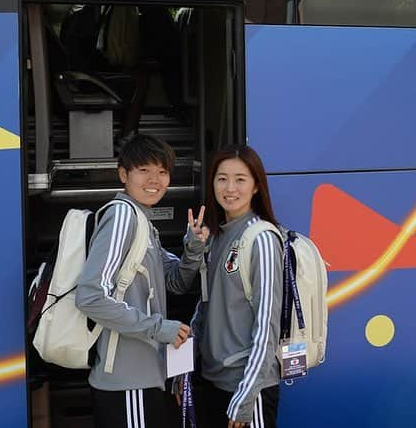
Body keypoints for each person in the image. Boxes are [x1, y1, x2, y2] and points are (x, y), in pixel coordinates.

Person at [75, 134, 209, 428]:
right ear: (124, 174)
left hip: (141, 378)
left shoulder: (142, 222)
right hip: (127, 380)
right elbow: (91, 296)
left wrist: (193, 248)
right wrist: (161, 328)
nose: (155, 179)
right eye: (144, 170)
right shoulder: (123, 216)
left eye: (162, 171)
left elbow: (174, 283)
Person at [192, 145, 284, 428]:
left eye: (240, 179)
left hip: (246, 389)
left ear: (256, 186)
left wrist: (245, 397)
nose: (229, 188)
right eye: (222, 178)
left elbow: (267, 323)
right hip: (213, 382)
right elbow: (206, 309)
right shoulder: (217, 236)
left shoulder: (262, 239)